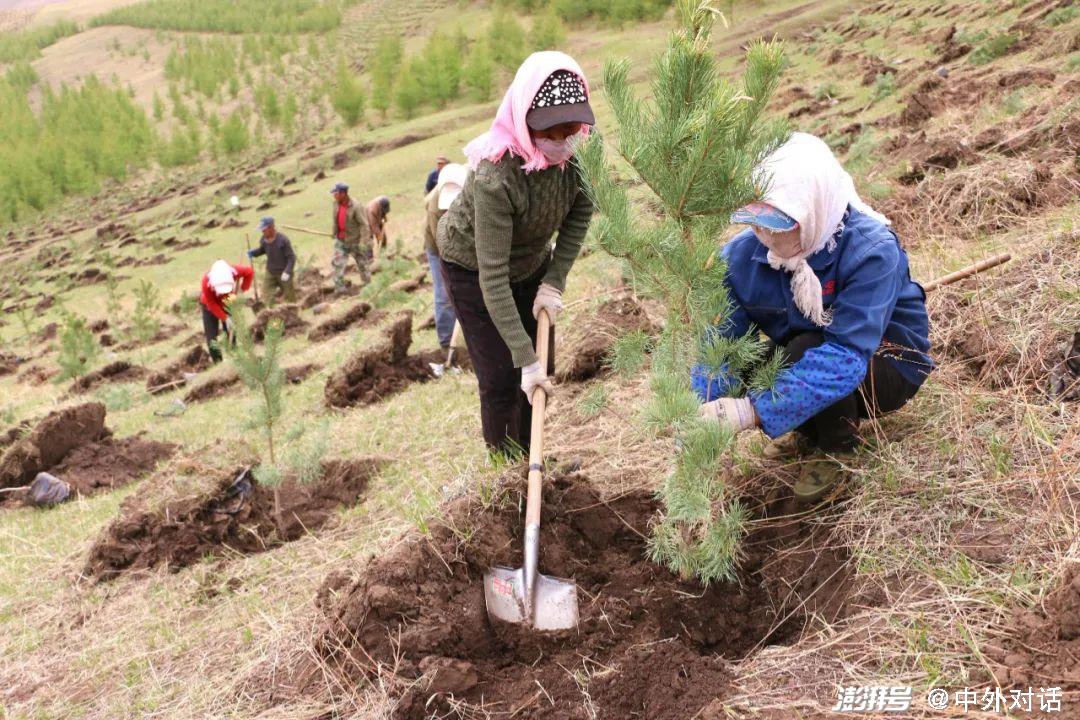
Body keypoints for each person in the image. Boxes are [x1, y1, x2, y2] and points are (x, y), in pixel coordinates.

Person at [693, 132, 933, 503]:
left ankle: (837, 447)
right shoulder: (742, 258)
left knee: (808, 349)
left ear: (812, 206)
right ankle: (805, 428)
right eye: (757, 221)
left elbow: (845, 356)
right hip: (804, 348)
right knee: (761, 363)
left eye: (779, 222)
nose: (764, 235)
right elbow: (720, 344)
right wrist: (703, 409)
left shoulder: (870, 250)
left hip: (885, 363)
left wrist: (751, 411)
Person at [436, 51, 596, 455]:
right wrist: (522, 357)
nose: (562, 143)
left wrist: (554, 283)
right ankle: (508, 477)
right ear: (525, 119)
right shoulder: (498, 176)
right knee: (504, 378)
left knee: (542, 368)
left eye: (570, 130)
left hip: (531, 261)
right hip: (473, 269)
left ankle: (534, 462)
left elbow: (580, 211)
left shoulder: (582, 152)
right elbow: (492, 276)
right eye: (550, 133)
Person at [424, 163, 467, 350]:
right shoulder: (434, 207)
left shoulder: (472, 188)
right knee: (444, 293)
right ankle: (446, 342)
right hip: (437, 247)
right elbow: (443, 244)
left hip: (466, 240)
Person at [200, 259, 253, 362]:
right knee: (211, 338)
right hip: (209, 306)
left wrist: (242, 289)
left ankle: (235, 356)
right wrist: (225, 318)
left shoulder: (234, 271)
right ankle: (217, 362)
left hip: (228, 301)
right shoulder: (206, 281)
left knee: (230, 330)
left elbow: (249, 272)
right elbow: (211, 303)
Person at [330, 182, 372, 293]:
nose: (334, 195)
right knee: (337, 263)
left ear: (343, 193)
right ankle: (339, 288)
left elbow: (364, 225)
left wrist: (364, 242)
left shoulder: (356, 206)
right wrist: (334, 232)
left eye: (336, 193)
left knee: (362, 264)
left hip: (355, 241)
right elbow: (336, 220)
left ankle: (368, 286)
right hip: (340, 240)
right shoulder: (335, 204)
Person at [247, 217, 297, 305]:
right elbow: (262, 250)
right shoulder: (264, 239)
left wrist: (287, 271)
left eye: (264, 229)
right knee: (266, 295)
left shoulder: (283, 240)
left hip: (284, 273)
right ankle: (272, 313)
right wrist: (253, 253)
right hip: (270, 272)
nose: (262, 232)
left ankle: (293, 313)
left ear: (271, 227)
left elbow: (291, 257)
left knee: (290, 298)